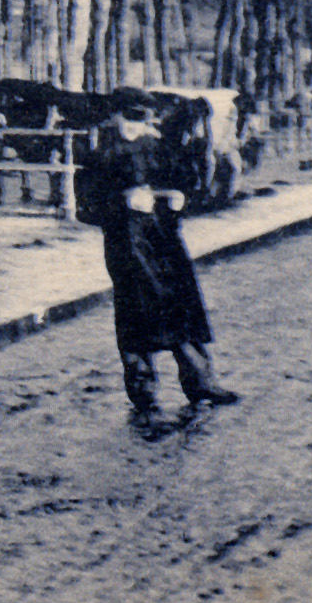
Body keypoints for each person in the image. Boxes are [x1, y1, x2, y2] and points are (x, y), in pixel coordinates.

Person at [77, 93, 239, 424]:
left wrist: (178, 197)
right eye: (132, 117)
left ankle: (202, 383)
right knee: (136, 315)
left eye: (145, 118)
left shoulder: (156, 148)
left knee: (183, 307)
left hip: (163, 239)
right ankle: (144, 394)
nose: (139, 125)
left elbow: (183, 181)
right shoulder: (99, 154)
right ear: (114, 116)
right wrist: (121, 202)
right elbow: (86, 209)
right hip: (127, 243)